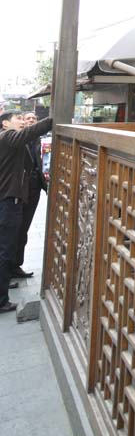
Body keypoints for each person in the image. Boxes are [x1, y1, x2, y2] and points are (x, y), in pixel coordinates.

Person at [0, 111, 53, 312]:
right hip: (8, 203)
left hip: (9, 201)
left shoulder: (10, 140)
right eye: (19, 120)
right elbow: (26, 135)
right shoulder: (7, 136)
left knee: (6, 247)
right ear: (5, 123)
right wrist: (51, 120)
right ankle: (1, 300)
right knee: (5, 249)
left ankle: (3, 286)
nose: (23, 122)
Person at [13, 112, 49, 279]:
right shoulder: (16, 139)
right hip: (19, 192)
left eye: (33, 119)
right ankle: (9, 268)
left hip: (34, 189)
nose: (29, 121)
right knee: (15, 229)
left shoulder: (40, 141)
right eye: (26, 119)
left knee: (24, 229)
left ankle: (15, 265)